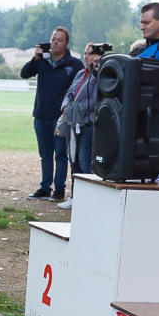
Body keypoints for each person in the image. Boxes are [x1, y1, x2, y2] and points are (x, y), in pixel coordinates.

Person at [20, 26, 83, 202]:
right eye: (53, 39)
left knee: (61, 155)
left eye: (60, 40)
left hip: (60, 117)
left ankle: (59, 189)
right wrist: (35, 58)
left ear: (66, 43)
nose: (55, 42)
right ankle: (45, 187)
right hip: (41, 115)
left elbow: (80, 88)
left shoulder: (74, 64)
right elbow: (24, 74)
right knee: (45, 155)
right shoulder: (42, 61)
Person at [55, 42, 106, 209]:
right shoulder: (80, 73)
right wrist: (65, 107)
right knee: (74, 160)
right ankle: (75, 197)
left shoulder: (103, 75)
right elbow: (70, 92)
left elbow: (98, 98)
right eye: (85, 53)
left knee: (85, 162)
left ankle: (88, 200)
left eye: (90, 53)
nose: (86, 57)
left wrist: (77, 109)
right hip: (74, 123)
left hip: (88, 123)